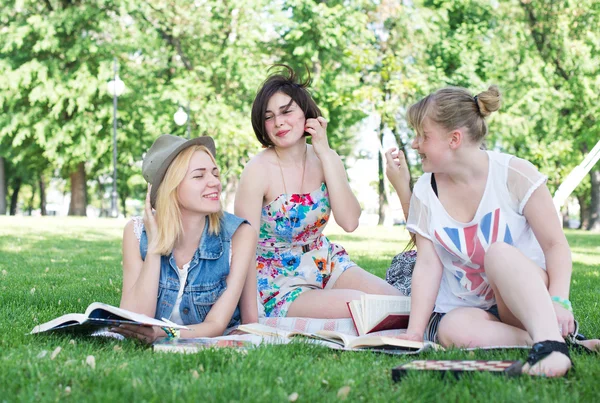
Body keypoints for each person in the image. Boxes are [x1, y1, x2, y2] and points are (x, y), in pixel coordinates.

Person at [385, 85, 577, 377]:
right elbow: (426, 264)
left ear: (454, 139)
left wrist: (559, 301)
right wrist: (414, 332)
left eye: (423, 136)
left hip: (525, 301)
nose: (414, 144)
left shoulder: (515, 174)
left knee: (498, 253)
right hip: (479, 313)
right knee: (450, 328)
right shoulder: (426, 189)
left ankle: (550, 341)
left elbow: (555, 245)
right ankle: (549, 344)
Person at [235, 65, 401, 318]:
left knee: (396, 303)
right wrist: (250, 318)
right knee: (361, 306)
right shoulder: (257, 170)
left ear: (306, 114)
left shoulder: (326, 158)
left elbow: (350, 222)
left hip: (323, 260)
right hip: (276, 278)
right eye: (268, 117)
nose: (278, 122)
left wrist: (325, 153)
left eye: (286, 111)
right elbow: (243, 248)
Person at [113, 134, 257, 344]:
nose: (215, 182)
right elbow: (134, 318)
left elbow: (216, 324)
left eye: (215, 174)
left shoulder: (240, 235)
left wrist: (162, 332)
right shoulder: (136, 233)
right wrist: (154, 248)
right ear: (171, 188)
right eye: (199, 176)